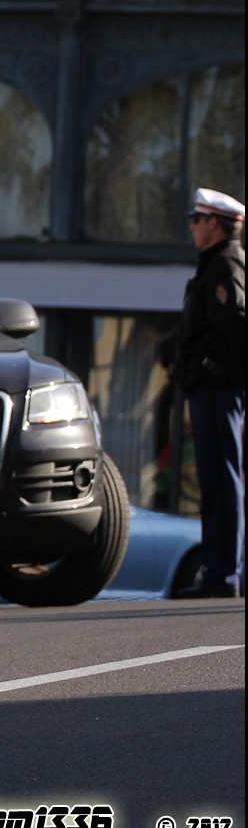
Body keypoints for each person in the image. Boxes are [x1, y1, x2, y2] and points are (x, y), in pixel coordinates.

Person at [175, 187, 245, 599]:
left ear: (213, 224)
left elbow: (236, 327)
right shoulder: (215, 265)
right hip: (211, 389)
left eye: (196, 221)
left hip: (219, 389)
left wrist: (211, 368)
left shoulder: (223, 266)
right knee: (214, 480)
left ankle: (225, 573)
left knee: (223, 478)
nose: (193, 228)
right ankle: (219, 570)